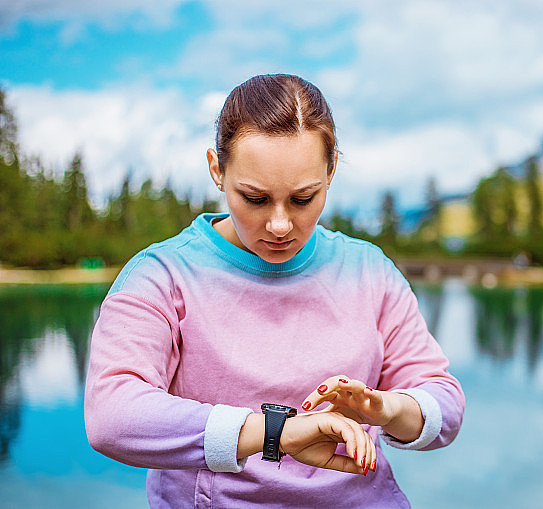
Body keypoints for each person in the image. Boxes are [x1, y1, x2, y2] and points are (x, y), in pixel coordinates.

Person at [84, 74, 465, 508]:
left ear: (331, 170)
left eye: (303, 199)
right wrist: (276, 433)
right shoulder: (162, 276)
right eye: (255, 198)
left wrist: (387, 409)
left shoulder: (369, 271)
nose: (280, 225)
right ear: (217, 170)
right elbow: (112, 416)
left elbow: (445, 404)